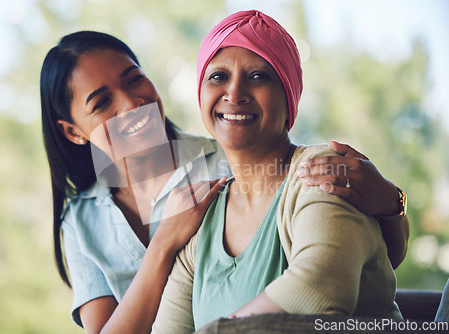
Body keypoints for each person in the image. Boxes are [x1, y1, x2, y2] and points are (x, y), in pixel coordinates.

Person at [40, 30, 408, 333]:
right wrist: (164, 241)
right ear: (73, 131)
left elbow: (361, 261)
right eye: (101, 102)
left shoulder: (237, 155)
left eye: (134, 79)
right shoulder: (80, 220)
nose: (132, 104)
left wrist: (394, 203)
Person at [151, 11, 404, 333]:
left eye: (258, 76)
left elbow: (317, 294)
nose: (235, 93)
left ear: (289, 99)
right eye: (217, 77)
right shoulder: (204, 215)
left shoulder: (324, 172)